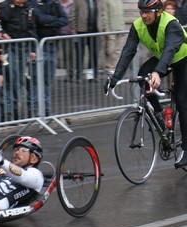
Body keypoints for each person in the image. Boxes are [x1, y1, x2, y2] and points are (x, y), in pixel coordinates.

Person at [105, 0, 187, 168]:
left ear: (158, 12)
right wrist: (115, 78)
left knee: (181, 99)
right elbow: (128, 51)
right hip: (163, 58)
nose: (143, 15)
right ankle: (160, 116)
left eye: (148, 12)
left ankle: (186, 149)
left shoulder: (170, 23)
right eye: (141, 11)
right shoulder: (138, 26)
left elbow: (170, 49)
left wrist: (157, 72)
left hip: (183, 59)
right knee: (143, 77)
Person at [0, 0, 39, 121]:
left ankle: (16, 112)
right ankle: (7, 112)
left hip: (24, 48)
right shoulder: (4, 7)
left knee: (19, 81)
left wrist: (32, 49)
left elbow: (32, 28)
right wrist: (2, 33)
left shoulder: (28, 8)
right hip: (9, 48)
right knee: (9, 81)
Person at [34, 0, 68, 116]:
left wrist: (49, 22)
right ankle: (36, 109)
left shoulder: (54, 3)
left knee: (48, 80)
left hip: (52, 45)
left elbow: (64, 19)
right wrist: (54, 20)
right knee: (37, 79)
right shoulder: (34, 3)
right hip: (40, 45)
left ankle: (46, 109)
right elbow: (39, 18)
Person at [69, 0, 100, 81]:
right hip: (81, 31)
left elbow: (101, 14)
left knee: (94, 54)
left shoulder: (96, 1)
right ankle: (79, 76)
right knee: (80, 54)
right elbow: (72, 14)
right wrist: (73, 27)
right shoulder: (78, 1)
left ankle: (91, 76)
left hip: (94, 31)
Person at [100, 0, 125, 74]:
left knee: (117, 50)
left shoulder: (119, 1)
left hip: (120, 28)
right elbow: (105, 15)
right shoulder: (106, 1)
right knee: (110, 49)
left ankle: (114, 66)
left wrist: (123, 28)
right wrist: (106, 28)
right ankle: (108, 66)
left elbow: (121, 15)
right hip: (111, 29)